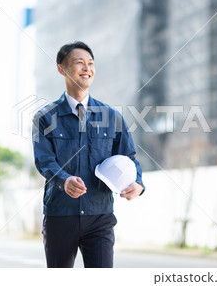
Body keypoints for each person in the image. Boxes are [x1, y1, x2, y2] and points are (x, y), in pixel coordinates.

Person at [32, 41, 145, 268]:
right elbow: (44, 161)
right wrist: (64, 181)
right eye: (79, 63)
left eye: (91, 63)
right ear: (61, 69)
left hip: (100, 215)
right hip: (60, 215)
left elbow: (128, 157)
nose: (87, 68)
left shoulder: (112, 117)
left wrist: (138, 183)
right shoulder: (45, 118)